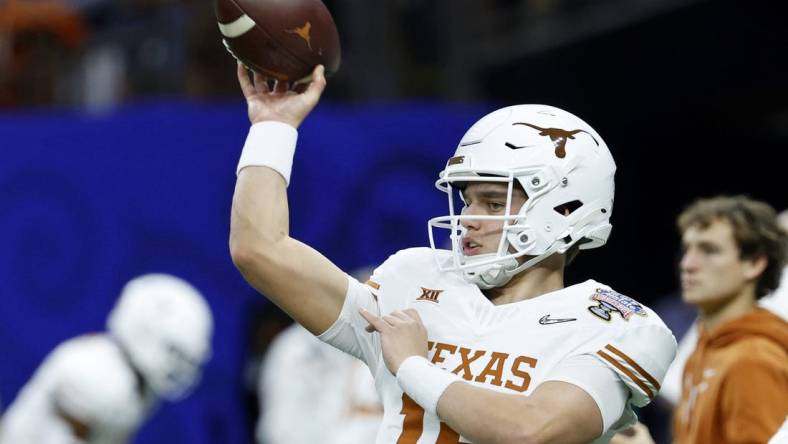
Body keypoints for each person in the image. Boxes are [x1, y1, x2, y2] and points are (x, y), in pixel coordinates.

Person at [229, 64, 677, 443]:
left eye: (494, 203)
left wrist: (413, 366)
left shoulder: (611, 322)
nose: (469, 219)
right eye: (467, 201)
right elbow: (260, 250)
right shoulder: (416, 279)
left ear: (566, 209)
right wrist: (274, 126)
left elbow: (533, 431)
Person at [0, 273, 214, 444]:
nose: (178, 366)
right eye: (174, 353)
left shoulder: (132, 381)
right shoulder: (98, 375)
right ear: (145, 330)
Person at [671, 196, 788, 443]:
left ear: (754, 264)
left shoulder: (754, 361)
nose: (687, 264)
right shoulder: (704, 348)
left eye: (709, 250)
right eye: (687, 249)